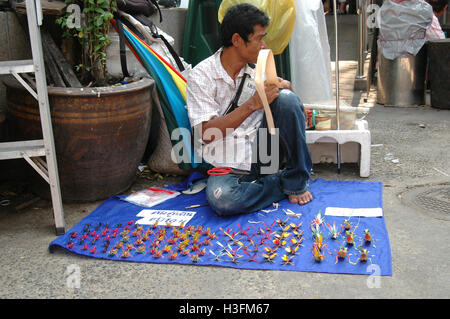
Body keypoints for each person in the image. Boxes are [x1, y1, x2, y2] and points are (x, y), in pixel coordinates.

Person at [186, 3, 313, 217]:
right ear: (237, 40)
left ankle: (294, 180)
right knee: (224, 200)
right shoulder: (201, 76)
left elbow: (287, 107)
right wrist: (253, 103)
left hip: (264, 154)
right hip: (226, 161)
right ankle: (285, 180)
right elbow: (206, 134)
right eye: (258, 38)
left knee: (288, 100)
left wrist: (285, 88)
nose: (264, 45)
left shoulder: (257, 71)